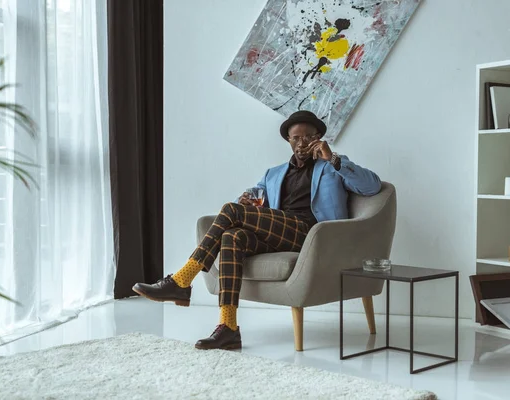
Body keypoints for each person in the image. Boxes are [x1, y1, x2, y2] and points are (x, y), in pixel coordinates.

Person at [132, 110, 381, 350]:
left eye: (308, 137)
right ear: (288, 140)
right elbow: (255, 199)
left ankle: (182, 279)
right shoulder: (273, 174)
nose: (302, 142)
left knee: (231, 211)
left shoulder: (330, 166)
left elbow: (372, 186)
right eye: (296, 137)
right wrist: (246, 203)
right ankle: (228, 327)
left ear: (318, 139)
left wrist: (333, 158)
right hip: (279, 231)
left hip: (312, 234)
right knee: (232, 236)